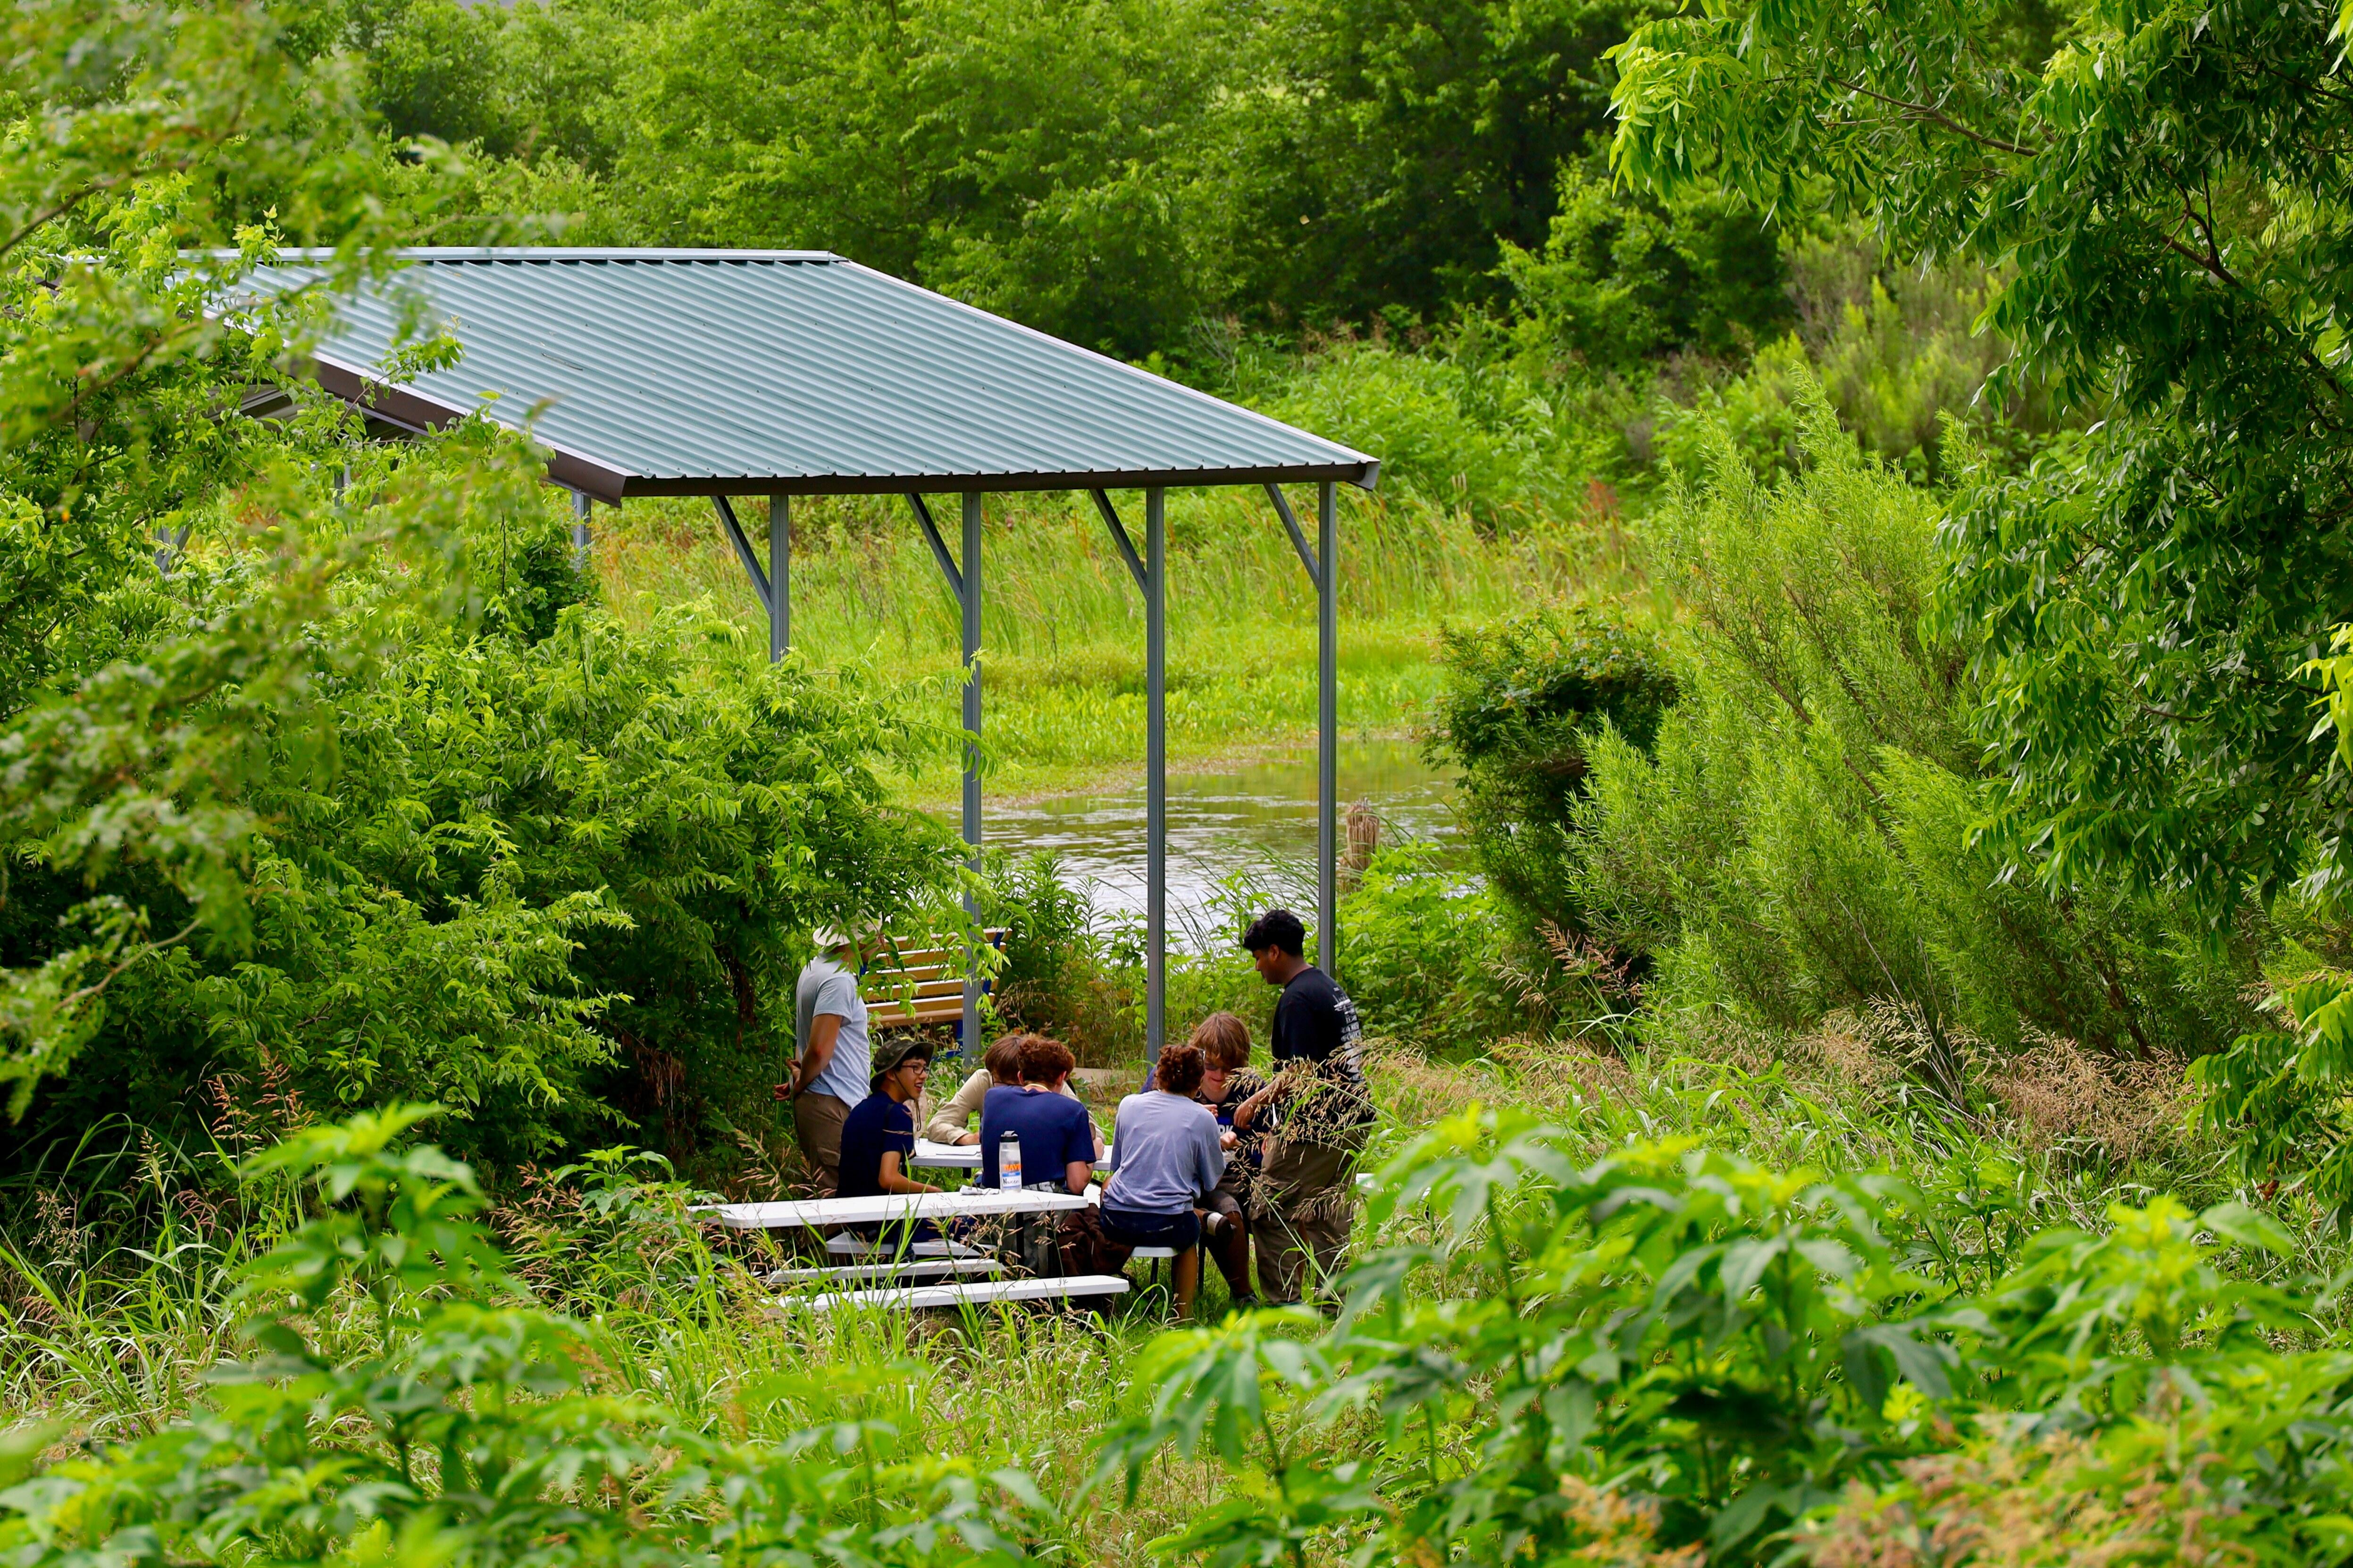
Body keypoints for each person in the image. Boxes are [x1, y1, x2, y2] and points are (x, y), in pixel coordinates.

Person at [1231, 908, 1373, 1305]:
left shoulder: (1296, 1000)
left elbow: (1300, 1073)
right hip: (1352, 1117)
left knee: (1270, 1210)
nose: (1257, 967)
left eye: (1258, 957)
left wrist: (1255, 1103)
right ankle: (1336, 1302)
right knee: (1326, 1212)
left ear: (1275, 952)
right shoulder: (1327, 987)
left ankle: (1285, 1306)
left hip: (1316, 1127)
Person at [1100, 1042, 1226, 1319]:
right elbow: (1211, 1180)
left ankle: (1104, 1304)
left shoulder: (1128, 1105)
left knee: (1109, 1187)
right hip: (1169, 1224)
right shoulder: (1202, 1118)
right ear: (1198, 1083)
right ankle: (1183, 1315)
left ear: (1159, 1076)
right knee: (1188, 1240)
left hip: (1117, 1221)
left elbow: (1118, 1166)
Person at [777, 925, 877, 1196]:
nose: (879, 942)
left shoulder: (815, 967)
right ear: (859, 941)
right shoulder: (839, 980)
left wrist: (801, 1077)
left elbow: (807, 1038)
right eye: (875, 935)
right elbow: (819, 1049)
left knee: (830, 1194)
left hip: (824, 1097)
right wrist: (801, 1083)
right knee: (835, 1202)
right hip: (832, 1102)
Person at [1189, 1011, 1267, 1309]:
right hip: (1194, 1178)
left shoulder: (1253, 1089)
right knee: (1228, 1210)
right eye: (1211, 1067)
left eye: (1230, 1069)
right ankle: (1244, 1295)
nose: (1220, 1076)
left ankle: (1285, 1294)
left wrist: (1251, 1147)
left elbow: (1268, 1143)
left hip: (1244, 1175)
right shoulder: (1180, 1078)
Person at [929, 1033, 1103, 1154]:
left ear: (1024, 1076)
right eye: (1001, 1086)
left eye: (1016, 1086)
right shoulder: (983, 1081)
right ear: (992, 1074)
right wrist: (968, 1138)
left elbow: (1094, 1131)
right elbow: (937, 1124)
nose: (1009, 1094)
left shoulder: (1050, 1085)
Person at [979, 1035, 1098, 1195]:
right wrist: (1092, 1156)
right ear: (1062, 1078)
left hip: (994, 1208)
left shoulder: (993, 1098)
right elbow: (1077, 1184)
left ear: (1021, 1077)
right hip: (1046, 1213)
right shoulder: (1073, 1110)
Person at [836, 1039, 941, 1201]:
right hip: (880, 1220)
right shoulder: (898, 1113)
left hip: (849, 1219)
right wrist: (933, 1192)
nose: (924, 1075)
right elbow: (888, 1179)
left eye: (925, 1068)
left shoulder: (859, 1110)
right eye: (915, 1068)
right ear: (891, 1074)